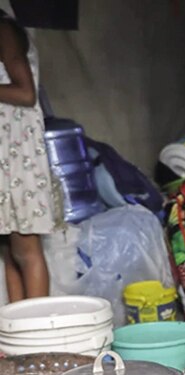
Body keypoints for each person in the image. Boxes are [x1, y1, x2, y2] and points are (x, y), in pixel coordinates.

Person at [0, 9, 61, 302]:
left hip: (17, 155)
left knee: (26, 249)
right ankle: (16, 336)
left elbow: (26, 93)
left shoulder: (4, 31)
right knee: (10, 252)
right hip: (4, 156)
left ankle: (37, 336)